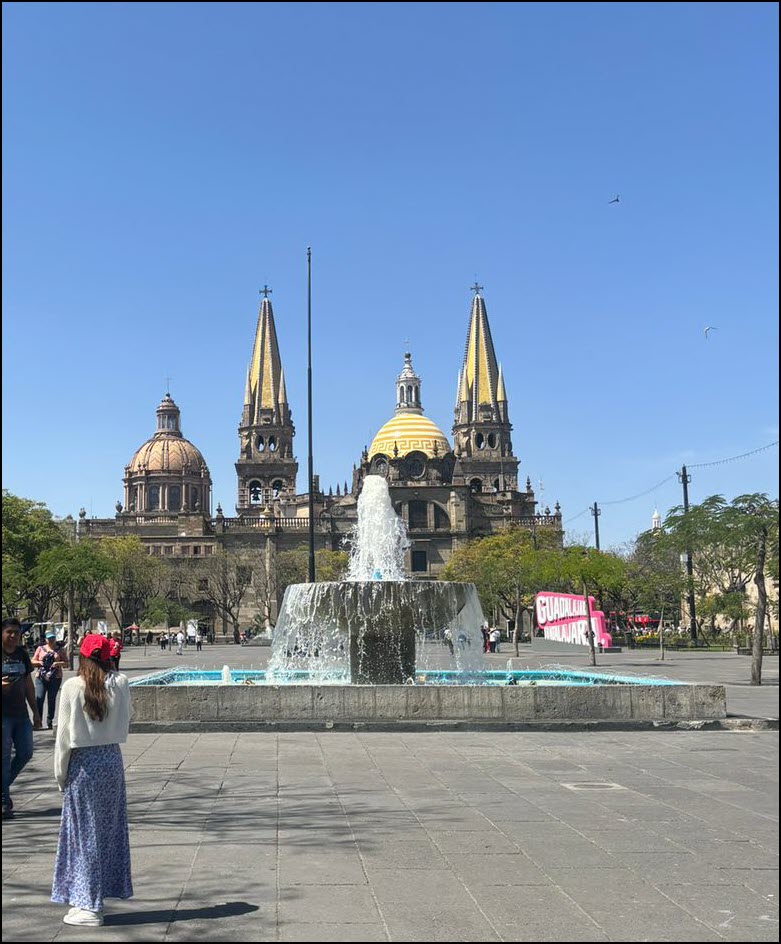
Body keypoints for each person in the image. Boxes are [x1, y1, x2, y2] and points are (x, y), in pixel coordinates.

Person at [51, 633, 133, 927]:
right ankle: (88, 897)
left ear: (83, 657)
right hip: (111, 760)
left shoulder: (72, 687)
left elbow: (62, 738)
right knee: (107, 832)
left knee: (84, 835)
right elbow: (126, 720)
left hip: (84, 765)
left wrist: (60, 773)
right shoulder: (121, 684)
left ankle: (90, 904)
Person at [2, 618, 43, 818]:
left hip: (21, 715)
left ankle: (2, 789)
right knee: (3, 759)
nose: (13, 636)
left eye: (16, 633)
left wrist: (35, 712)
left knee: (26, 752)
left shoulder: (21, 654)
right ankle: (3, 801)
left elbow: (28, 683)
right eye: (9, 632)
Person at [32, 630, 67, 730]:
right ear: (46, 639)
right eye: (49, 638)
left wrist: (58, 663)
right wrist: (40, 662)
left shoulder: (60, 649)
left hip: (55, 677)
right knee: (39, 698)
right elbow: (32, 661)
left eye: (53, 638)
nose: (51, 640)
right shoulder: (40, 648)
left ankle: (49, 721)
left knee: (51, 699)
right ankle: (38, 721)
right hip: (41, 677)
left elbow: (66, 663)